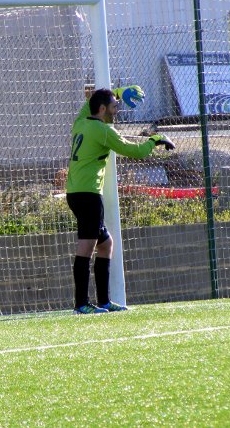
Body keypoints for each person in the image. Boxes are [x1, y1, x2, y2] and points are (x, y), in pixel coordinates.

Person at [66, 85, 175, 314]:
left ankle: (104, 302)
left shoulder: (81, 121)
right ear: (102, 109)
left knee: (105, 244)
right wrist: (155, 140)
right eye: (115, 106)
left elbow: (93, 99)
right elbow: (135, 151)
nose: (117, 110)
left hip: (75, 193)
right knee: (87, 246)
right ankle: (81, 304)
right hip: (88, 195)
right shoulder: (104, 131)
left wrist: (121, 90)